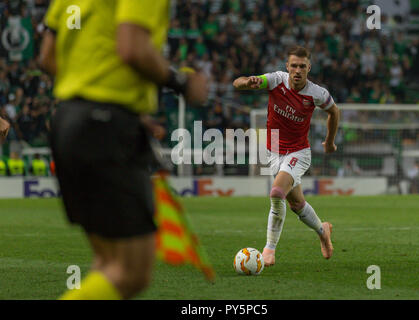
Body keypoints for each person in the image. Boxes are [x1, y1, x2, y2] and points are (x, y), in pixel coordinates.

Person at [39, 0, 207, 300]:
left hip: (68, 119)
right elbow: (132, 47)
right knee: (131, 271)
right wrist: (181, 82)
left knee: (107, 263)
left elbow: (48, 57)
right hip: (104, 128)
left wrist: (106, 96)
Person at [233, 45, 339, 266]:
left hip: (298, 152)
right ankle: (323, 231)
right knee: (296, 204)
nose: (297, 70)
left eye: (302, 66)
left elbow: (334, 112)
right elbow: (238, 83)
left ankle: (269, 249)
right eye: (294, 66)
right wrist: (247, 82)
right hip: (273, 151)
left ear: (309, 67)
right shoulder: (275, 80)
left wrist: (329, 141)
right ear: (287, 66)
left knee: (276, 192)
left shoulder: (317, 93)